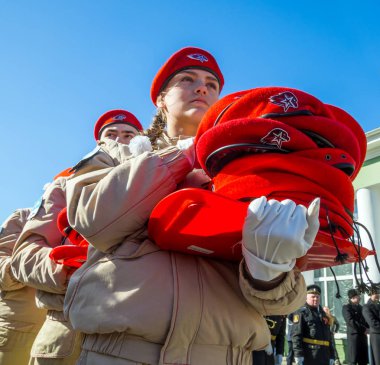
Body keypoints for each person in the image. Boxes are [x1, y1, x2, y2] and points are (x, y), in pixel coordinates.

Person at [63, 46, 315, 365]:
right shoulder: (116, 153)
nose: (202, 88)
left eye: (211, 84)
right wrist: (184, 155)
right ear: (161, 100)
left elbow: (281, 304)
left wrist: (270, 270)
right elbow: (93, 219)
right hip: (122, 353)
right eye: (187, 79)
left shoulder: (249, 170)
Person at [10, 110, 143, 365]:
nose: (120, 141)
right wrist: (70, 274)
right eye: (111, 134)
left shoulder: (158, 179)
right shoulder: (64, 186)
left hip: (135, 335)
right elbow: (23, 258)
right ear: (98, 144)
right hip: (66, 333)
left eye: (129, 135)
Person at [0, 208, 47, 364]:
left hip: (63, 337)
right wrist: (36, 265)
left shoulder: (91, 217)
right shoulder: (25, 216)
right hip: (16, 332)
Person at [292, 284, 335, 365]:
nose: (316, 299)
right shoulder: (301, 312)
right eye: (313, 297)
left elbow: (329, 336)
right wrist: (298, 354)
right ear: (306, 297)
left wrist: (332, 355)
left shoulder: (323, 313)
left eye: (317, 297)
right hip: (310, 355)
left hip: (325, 355)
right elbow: (296, 335)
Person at [342, 289, 369, 365]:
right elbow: (350, 321)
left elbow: (366, 320)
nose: (359, 297)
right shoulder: (346, 308)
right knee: (353, 360)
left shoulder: (361, 307)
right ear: (352, 297)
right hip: (354, 337)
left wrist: (368, 328)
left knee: (363, 360)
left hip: (363, 337)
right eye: (357, 296)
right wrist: (364, 329)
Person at [362, 287, 380, 365]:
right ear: (371, 294)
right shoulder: (367, 307)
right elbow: (372, 323)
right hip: (377, 335)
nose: (378, 295)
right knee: (378, 360)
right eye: (376, 293)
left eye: (378, 293)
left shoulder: (378, 305)